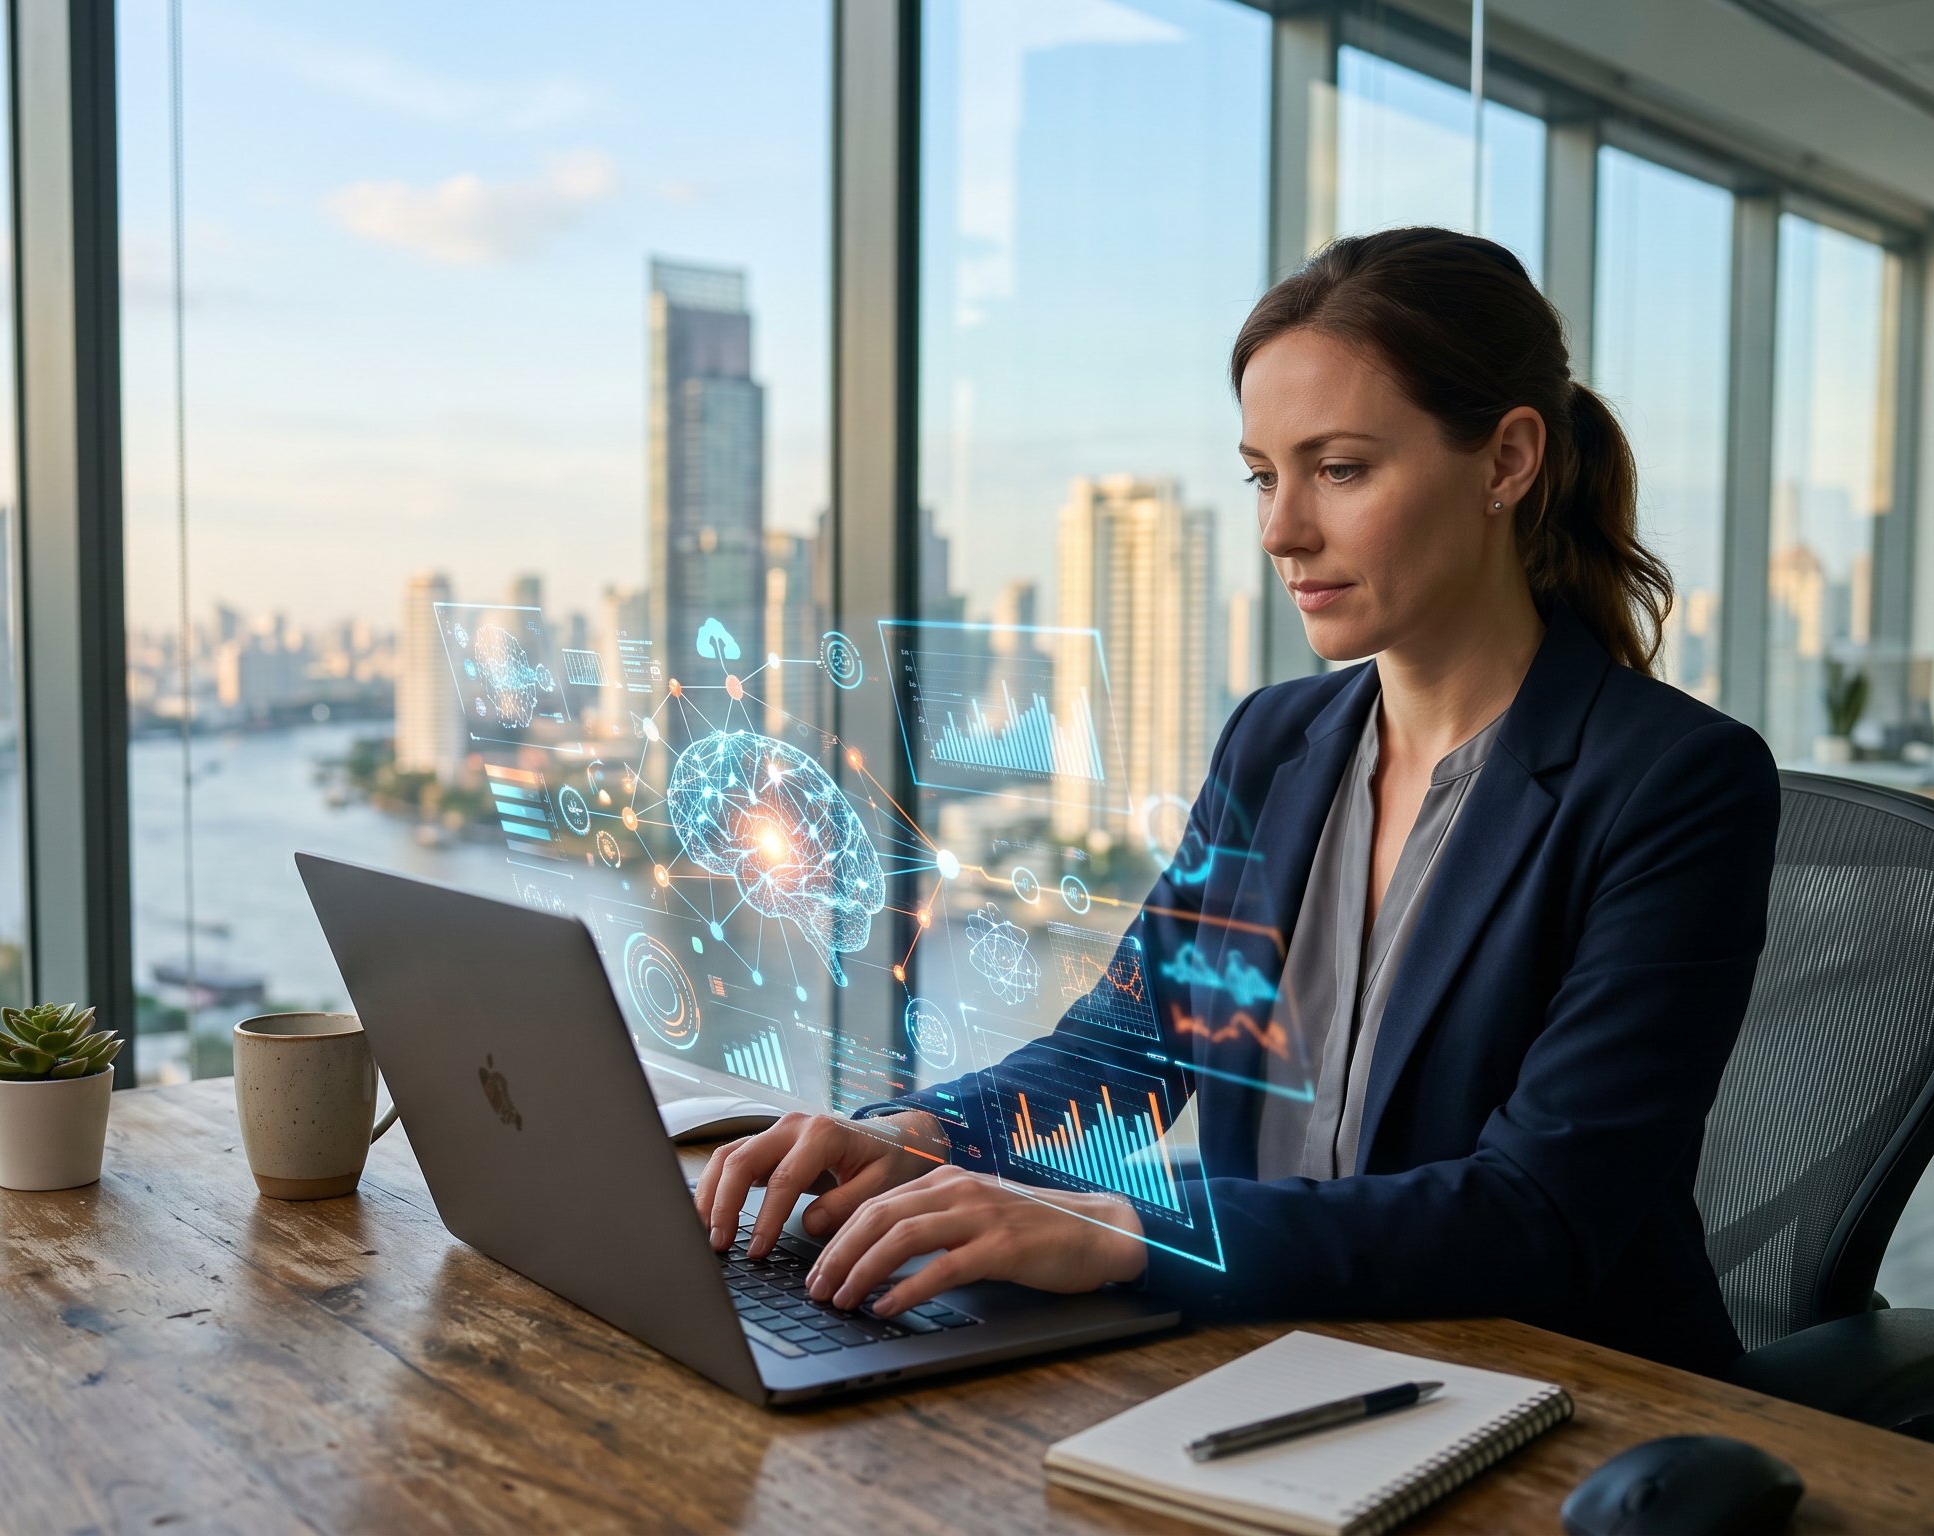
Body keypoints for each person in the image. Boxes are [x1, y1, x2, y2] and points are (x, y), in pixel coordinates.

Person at [693, 227, 1778, 1376]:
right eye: (1263, 475)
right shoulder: (1275, 743)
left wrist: (1124, 1231)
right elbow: (1127, 1049)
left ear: (1506, 460)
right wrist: (914, 1136)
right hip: (1279, 1345)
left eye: (1339, 470)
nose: (1280, 531)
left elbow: (1536, 1214)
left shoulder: (1675, 784)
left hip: (1560, 1388)